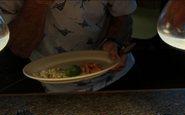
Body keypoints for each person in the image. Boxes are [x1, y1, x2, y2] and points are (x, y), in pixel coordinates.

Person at [0, 0, 137, 92]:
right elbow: (19, 48)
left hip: (111, 76)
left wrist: (115, 42)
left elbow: (124, 16)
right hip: (45, 82)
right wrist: (38, 3)